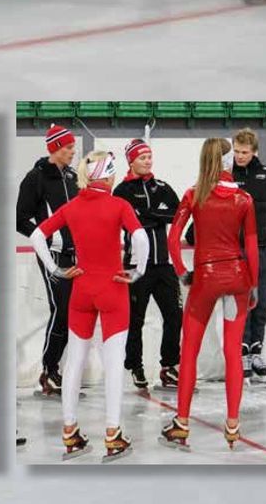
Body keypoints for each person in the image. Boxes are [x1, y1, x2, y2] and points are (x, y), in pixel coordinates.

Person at [30, 151, 148, 462]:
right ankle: (112, 434)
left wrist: (55, 270)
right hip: (112, 288)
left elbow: (37, 235)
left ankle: (70, 434)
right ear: (107, 176)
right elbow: (140, 237)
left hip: (81, 289)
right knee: (113, 363)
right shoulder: (119, 205)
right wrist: (138, 270)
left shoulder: (71, 206)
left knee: (73, 363)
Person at [161, 137, 259, 452]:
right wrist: (253, 284)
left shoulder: (193, 194)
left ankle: (182, 423)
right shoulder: (244, 198)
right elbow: (253, 247)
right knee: (233, 352)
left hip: (204, 278)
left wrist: (180, 271)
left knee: (189, 350)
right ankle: (232, 426)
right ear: (229, 162)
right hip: (237, 277)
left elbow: (173, 238)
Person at [15, 123, 79, 396]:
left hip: (78, 254)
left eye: (73, 147)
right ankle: (49, 370)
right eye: (68, 148)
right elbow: (20, 219)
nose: (73, 152)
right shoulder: (35, 178)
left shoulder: (74, 177)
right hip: (53, 255)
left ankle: (63, 370)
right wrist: (44, 236)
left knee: (76, 313)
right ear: (54, 149)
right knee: (61, 310)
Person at [113, 138, 181, 389]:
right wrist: (156, 216)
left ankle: (169, 366)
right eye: (142, 157)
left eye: (150, 156)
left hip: (163, 265)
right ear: (131, 161)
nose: (148, 161)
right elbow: (125, 220)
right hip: (135, 267)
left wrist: (147, 215)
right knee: (135, 320)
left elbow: (176, 213)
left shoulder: (162, 186)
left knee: (174, 314)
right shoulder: (121, 191)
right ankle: (136, 366)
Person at [231, 128, 266, 380]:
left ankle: (256, 351)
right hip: (238, 248)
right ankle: (242, 351)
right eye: (236, 151)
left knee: (262, 302)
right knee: (243, 302)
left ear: (254, 152)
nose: (239, 156)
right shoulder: (227, 175)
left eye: (244, 152)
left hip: (264, 247)